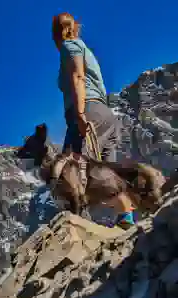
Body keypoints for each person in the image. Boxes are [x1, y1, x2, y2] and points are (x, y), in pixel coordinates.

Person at [52, 12, 135, 229]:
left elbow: (77, 77)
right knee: (104, 173)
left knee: (67, 171)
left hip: (87, 110)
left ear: (56, 34)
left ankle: (76, 230)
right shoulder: (86, 49)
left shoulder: (69, 47)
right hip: (105, 113)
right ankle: (126, 218)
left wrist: (80, 114)